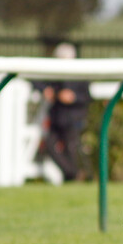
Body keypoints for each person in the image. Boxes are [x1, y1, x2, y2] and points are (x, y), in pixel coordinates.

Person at [40, 43, 92, 182]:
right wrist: (46, 90)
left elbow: (87, 97)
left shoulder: (81, 74)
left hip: (74, 118)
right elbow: (36, 80)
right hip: (57, 118)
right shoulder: (53, 74)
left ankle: (73, 176)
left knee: (71, 147)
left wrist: (73, 97)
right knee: (50, 145)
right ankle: (74, 174)